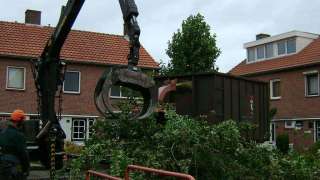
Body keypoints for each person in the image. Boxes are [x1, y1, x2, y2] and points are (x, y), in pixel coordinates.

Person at [0, 109, 30, 180]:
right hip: (15, 168)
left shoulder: (2, 133)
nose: (23, 123)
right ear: (19, 121)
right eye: (23, 121)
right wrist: (26, 169)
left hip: (2, 167)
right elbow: (23, 154)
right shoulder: (19, 135)